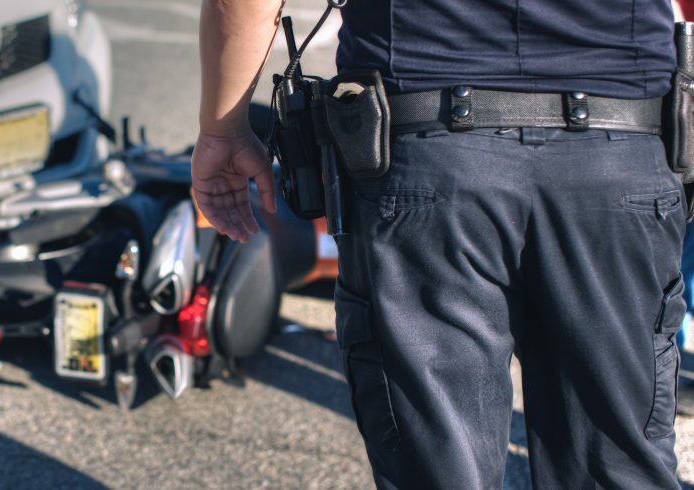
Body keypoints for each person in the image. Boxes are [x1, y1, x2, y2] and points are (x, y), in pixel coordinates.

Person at [192, 0, 685, 488]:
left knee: (438, 467)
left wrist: (223, 128)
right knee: (618, 470)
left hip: (428, 158)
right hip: (620, 155)